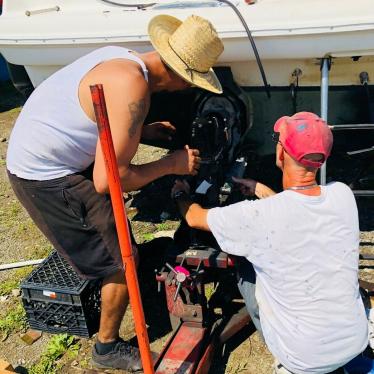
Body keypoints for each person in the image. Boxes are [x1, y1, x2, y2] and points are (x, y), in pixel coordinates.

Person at [6, 14, 224, 371]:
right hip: (45, 176)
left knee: (117, 240)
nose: (186, 89)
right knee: (120, 261)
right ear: (179, 74)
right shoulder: (132, 87)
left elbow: (97, 117)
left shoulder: (123, 58)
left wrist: (143, 131)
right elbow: (108, 181)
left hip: (43, 152)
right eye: (190, 82)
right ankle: (107, 347)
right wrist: (172, 164)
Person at [171, 112, 369, 374]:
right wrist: (260, 190)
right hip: (354, 340)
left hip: (303, 358)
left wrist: (180, 192)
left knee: (244, 264)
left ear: (280, 154)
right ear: (321, 159)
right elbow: (296, 214)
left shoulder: (257, 217)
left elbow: (195, 218)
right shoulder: (342, 194)